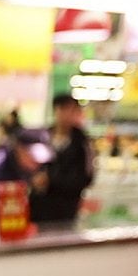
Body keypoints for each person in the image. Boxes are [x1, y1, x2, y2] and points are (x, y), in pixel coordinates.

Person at [32, 93, 93, 226]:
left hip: (66, 208)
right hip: (38, 207)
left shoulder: (82, 142)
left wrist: (52, 181)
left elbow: (86, 176)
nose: (67, 115)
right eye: (63, 109)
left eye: (72, 110)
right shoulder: (41, 138)